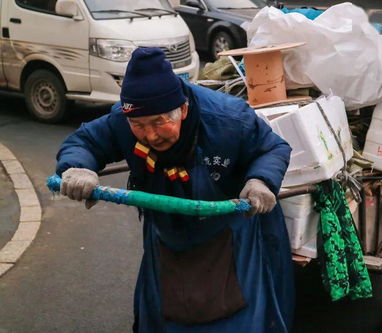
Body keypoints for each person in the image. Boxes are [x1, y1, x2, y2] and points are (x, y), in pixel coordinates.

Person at [55, 47, 294, 332]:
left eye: (159, 122)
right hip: (167, 234)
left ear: (183, 109)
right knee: (166, 315)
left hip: (231, 230)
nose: (151, 135)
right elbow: (84, 142)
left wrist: (261, 181)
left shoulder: (228, 119)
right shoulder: (123, 119)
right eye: (139, 125)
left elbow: (272, 147)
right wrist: (78, 167)